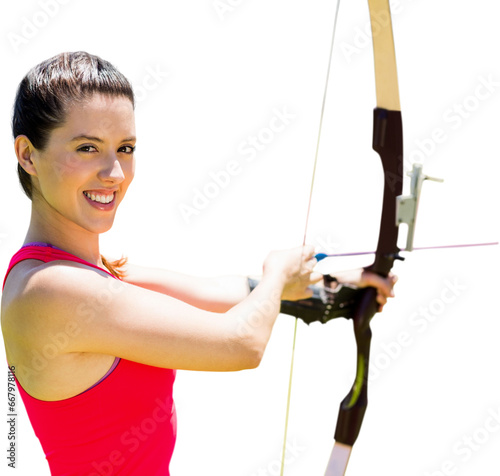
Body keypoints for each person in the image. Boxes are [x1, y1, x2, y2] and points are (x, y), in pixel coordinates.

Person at [1, 52, 396, 475]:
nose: (114, 171)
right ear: (27, 155)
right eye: (87, 148)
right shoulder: (48, 289)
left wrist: (339, 284)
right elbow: (239, 344)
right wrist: (279, 270)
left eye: (126, 148)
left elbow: (221, 294)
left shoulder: (98, 277)